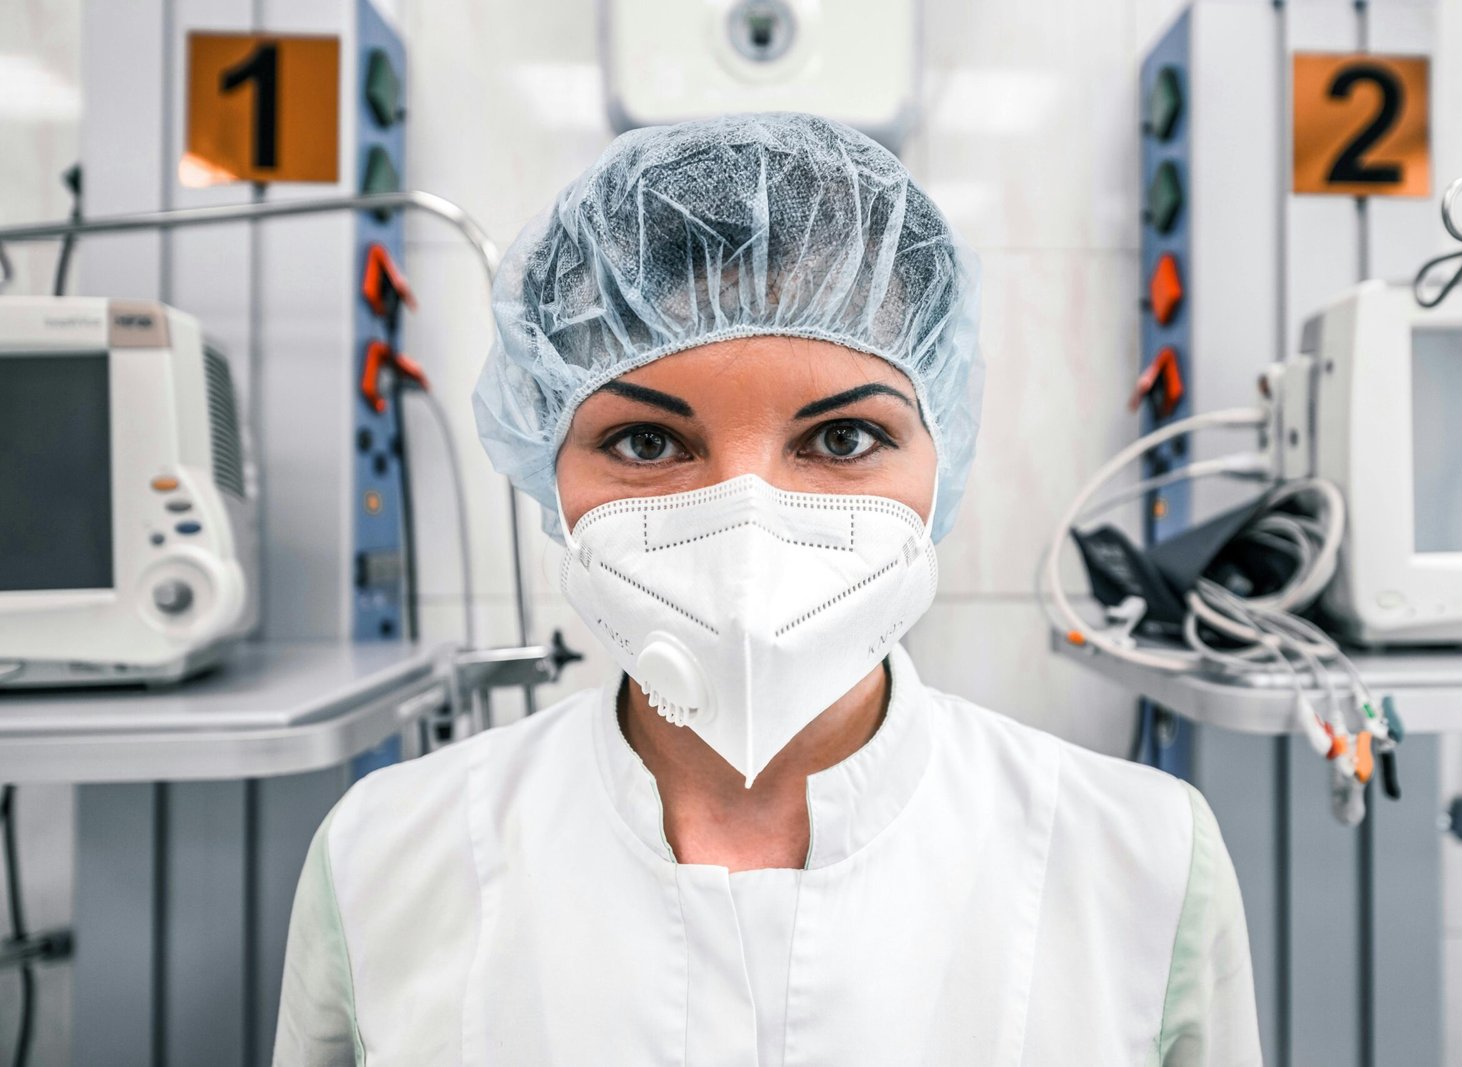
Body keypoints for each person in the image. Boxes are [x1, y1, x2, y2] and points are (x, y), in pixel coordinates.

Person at [273, 112, 1261, 1066]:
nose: (747, 529)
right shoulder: (388, 860)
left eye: (841, 438)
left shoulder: (1140, 862)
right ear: (549, 473)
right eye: (648, 441)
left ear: (940, 460)